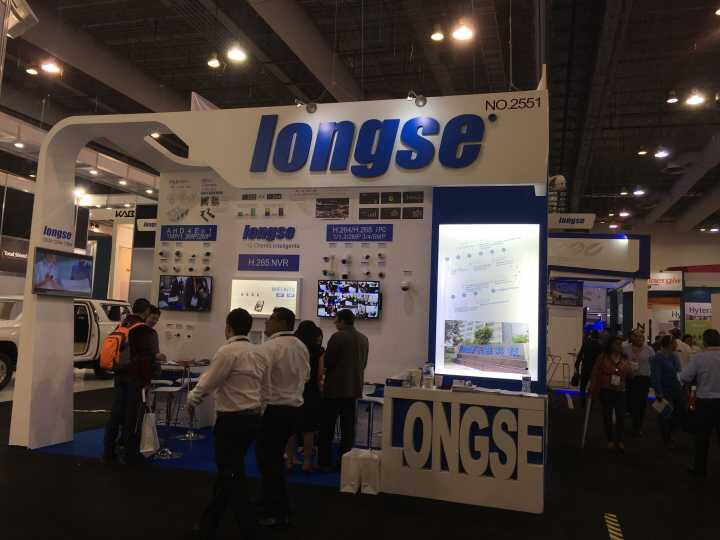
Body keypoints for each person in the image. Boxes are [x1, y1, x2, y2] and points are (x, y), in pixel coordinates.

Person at [187, 308, 267, 540]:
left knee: (232, 476)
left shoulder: (227, 351)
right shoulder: (258, 352)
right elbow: (264, 386)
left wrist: (192, 399)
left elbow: (208, 381)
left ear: (228, 327)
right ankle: (208, 524)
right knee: (229, 472)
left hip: (231, 421)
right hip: (253, 419)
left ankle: (249, 529)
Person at [256, 307, 309, 527]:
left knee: (269, 460)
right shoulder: (300, 346)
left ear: (281, 322)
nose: (266, 322)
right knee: (273, 458)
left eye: (270, 318)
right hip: (293, 409)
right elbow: (306, 376)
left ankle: (278, 511)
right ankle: (271, 501)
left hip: (273, 410)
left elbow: (258, 379)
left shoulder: (269, 347)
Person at [102, 298, 160, 464]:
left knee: (115, 414)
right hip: (135, 378)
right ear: (146, 312)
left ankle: (108, 451)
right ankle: (129, 453)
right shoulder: (143, 330)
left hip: (119, 374)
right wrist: (149, 378)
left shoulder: (122, 325)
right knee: (132, 416)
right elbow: (146, 358)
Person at [318, 309, 369, 470]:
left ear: (342, 321)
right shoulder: (364, 338)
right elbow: (364, 364)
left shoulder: (338, 336)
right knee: (348, 429)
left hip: (334, 389)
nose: (334, 323)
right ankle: (344, 463)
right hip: (354, 389)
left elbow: (328, 362)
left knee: (327, 428)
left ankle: (324, 462)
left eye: (336, 320)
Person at [680, 328, 720, 478]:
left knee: (702, 438)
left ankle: (700, 470)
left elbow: (685, 377)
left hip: (705, 403)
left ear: (705, 341)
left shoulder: (700, 357)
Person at [286, 321, 325, 472]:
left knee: (290, 429)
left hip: (293, 389)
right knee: (309, 429)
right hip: (311, 391)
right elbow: (320, 374)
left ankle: (289, 460)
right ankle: (307, 462)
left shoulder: (293, 348)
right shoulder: (319, 351)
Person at [591, 336, 634, 452]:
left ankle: (619, 440)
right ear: (610, 345)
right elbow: (595, 371)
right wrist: (593, 386)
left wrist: (630, 370)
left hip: (621, 389)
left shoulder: (625, 358)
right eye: (616, 343)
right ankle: (609, 439)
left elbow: (630, 374)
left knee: (621, 415)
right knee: (607, 414)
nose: (619, 346)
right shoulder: (603, 357)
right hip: (606, 389)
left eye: (620, 344)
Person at [650, 335, 684, 447]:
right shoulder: (657, 358)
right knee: (665, 415)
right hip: (664, 390)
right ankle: (666, 438)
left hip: (676, 388)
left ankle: (672, 433)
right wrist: (658, 392)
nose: (676, 345)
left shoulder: (674, 356)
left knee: (678, 413)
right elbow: (656, 376)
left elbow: (679, 370)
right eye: (674, 343)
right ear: (669, 344)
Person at [623, 330, 654, 437]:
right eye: (637, 336)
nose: (640, 338)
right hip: (629, 379)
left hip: (643, 379)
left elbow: (653, 364)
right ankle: (633, 419)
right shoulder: (625, 349)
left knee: (641, 404)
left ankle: (638, 426)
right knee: (630, 402)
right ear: (632, 337)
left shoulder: (649, 349)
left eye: (641, 336)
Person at [574, 330, 603, 407]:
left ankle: (582, 401)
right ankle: (591, 402)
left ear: (591, 335)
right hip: (594, 369)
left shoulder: (586, 343)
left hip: (585, 367)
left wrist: (577, 365)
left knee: (583, 385)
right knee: (593, 386)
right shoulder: (599, 346)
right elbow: (601, 359)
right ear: (598, 336)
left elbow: (580, 355)